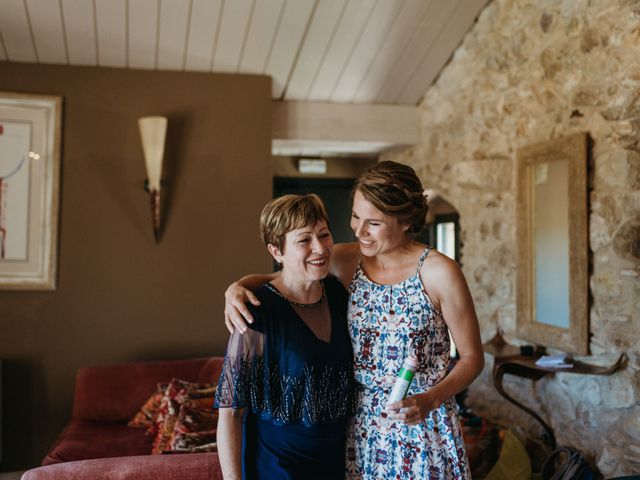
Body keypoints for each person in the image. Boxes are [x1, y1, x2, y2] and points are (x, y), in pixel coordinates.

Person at [224, 161, 484, 479]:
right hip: (361, 430)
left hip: (422, 424)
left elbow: (473, 358)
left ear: (404, 221)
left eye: (372, 223)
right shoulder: (349, 259)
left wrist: (429, 401)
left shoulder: (441, 273)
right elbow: (292, 273)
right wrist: (237, 288)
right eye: (356, 217)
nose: (358, 231)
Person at [215, 194, 354, 480]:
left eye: (324, 234)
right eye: (304, 240)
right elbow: (231, 415)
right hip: (278, 468)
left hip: (338, 462)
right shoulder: (256, 313)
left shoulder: (339, 294)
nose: (320, 247)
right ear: (276, 251)